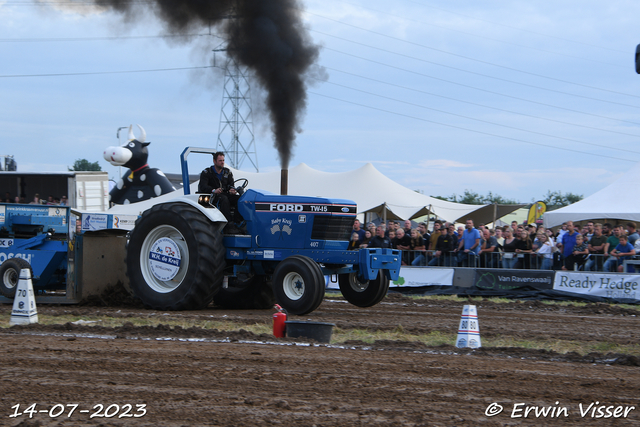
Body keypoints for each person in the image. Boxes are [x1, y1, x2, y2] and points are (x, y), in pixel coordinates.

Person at [198, 152, 243, 233]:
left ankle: (237, 222)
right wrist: (214, 190)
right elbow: (203, 186)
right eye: (220, 160)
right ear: (214, 161)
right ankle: (228, 225)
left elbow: (231, 185)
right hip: (212, 196)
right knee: (224, 199)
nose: (222, 162)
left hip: (224, 194)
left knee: (240, 199)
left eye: (223, 160)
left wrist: (232, 191)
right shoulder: (207, 173)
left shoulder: (227, 172)